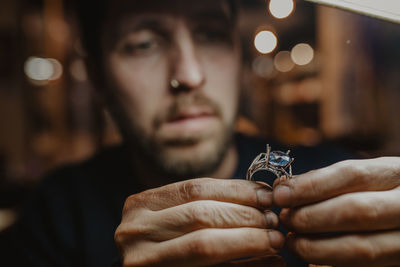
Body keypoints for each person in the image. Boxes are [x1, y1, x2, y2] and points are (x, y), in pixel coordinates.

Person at [2, 0, 400, 266]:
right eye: (142, 44)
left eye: (210, 35)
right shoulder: (54, 218)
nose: (189, 76)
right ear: (98, 77)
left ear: (239, 57)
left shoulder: (340, 183)